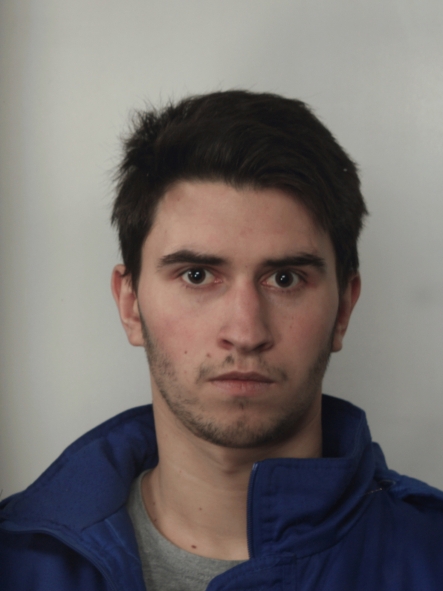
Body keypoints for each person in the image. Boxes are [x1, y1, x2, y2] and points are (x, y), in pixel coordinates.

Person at [1, 90, 443, 590]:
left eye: (285, 279)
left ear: (343, 308)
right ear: (130, 305)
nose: (246, 333)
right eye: (197, 276)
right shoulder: (15, 564)